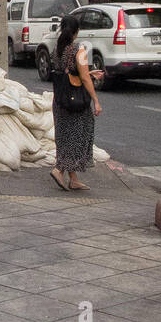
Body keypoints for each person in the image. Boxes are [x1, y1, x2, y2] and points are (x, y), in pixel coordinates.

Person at [49, 14, 102, 192]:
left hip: (60, 101)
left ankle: (73, 179)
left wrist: (89, 75)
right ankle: (59, 170)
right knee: (79, 136)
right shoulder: (78, 50)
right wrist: (96, 100)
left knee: (64, 137)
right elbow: (84, 77)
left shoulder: (56, 50)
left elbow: (69, 73)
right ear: (77, 31)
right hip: (75, 102)